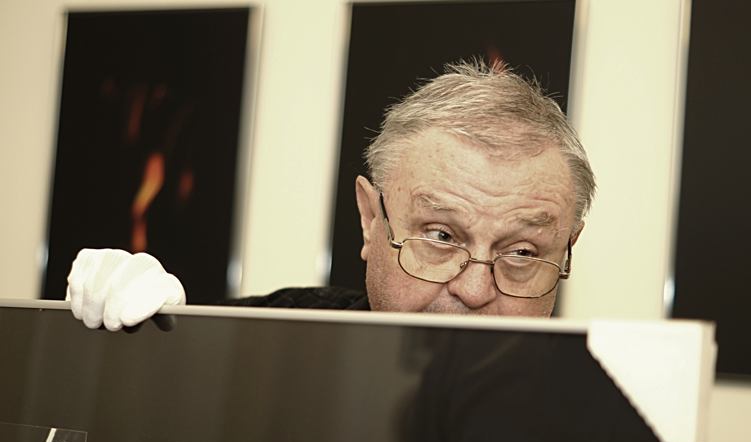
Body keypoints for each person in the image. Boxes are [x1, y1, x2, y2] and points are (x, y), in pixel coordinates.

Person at [66, 59, 595, 331]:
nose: (476, 291)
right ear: (370, 219)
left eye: (522, 251)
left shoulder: (612, 423)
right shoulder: (272, 346)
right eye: (440, 236)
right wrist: (158, 343)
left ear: (567, 248)